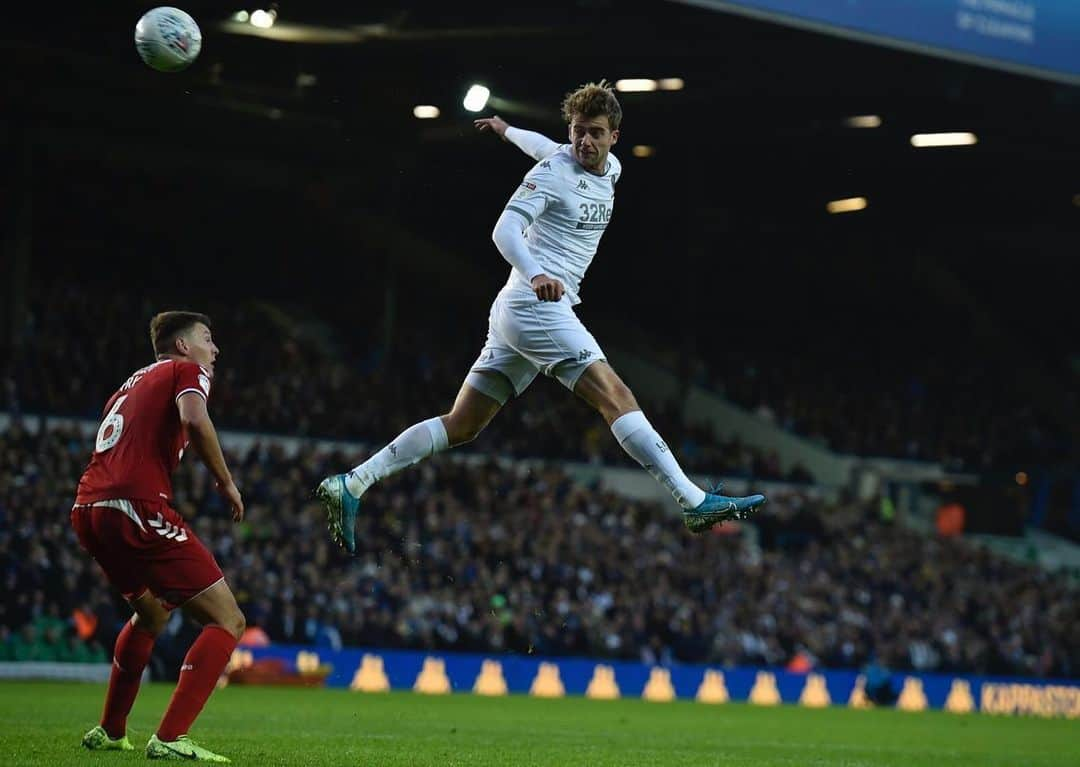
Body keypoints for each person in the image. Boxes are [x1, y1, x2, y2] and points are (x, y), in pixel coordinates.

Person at [317, 81, 766, 554]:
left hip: (521, 312)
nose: (583, 142)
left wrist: (506, 129)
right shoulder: (554, 173)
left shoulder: (608, 169)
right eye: (577, 132)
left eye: (594, 133)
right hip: (537, 307)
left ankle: (353, 483)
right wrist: (534, 274)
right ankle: (693, 500)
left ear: (615, 135)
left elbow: (541, 145)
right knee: (616, 395)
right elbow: (503, 229)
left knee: (463, 423)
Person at [72, 311, 245, 763]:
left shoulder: (127, 385)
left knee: (150, 615)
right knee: (228, 620)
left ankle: (111, 731)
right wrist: (225, 481)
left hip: (88, 508)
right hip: (136, 505)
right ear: (184, 346)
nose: (215, 350)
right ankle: (170, 737)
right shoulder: (187, 371)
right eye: (208, 339)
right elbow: (194, 417)